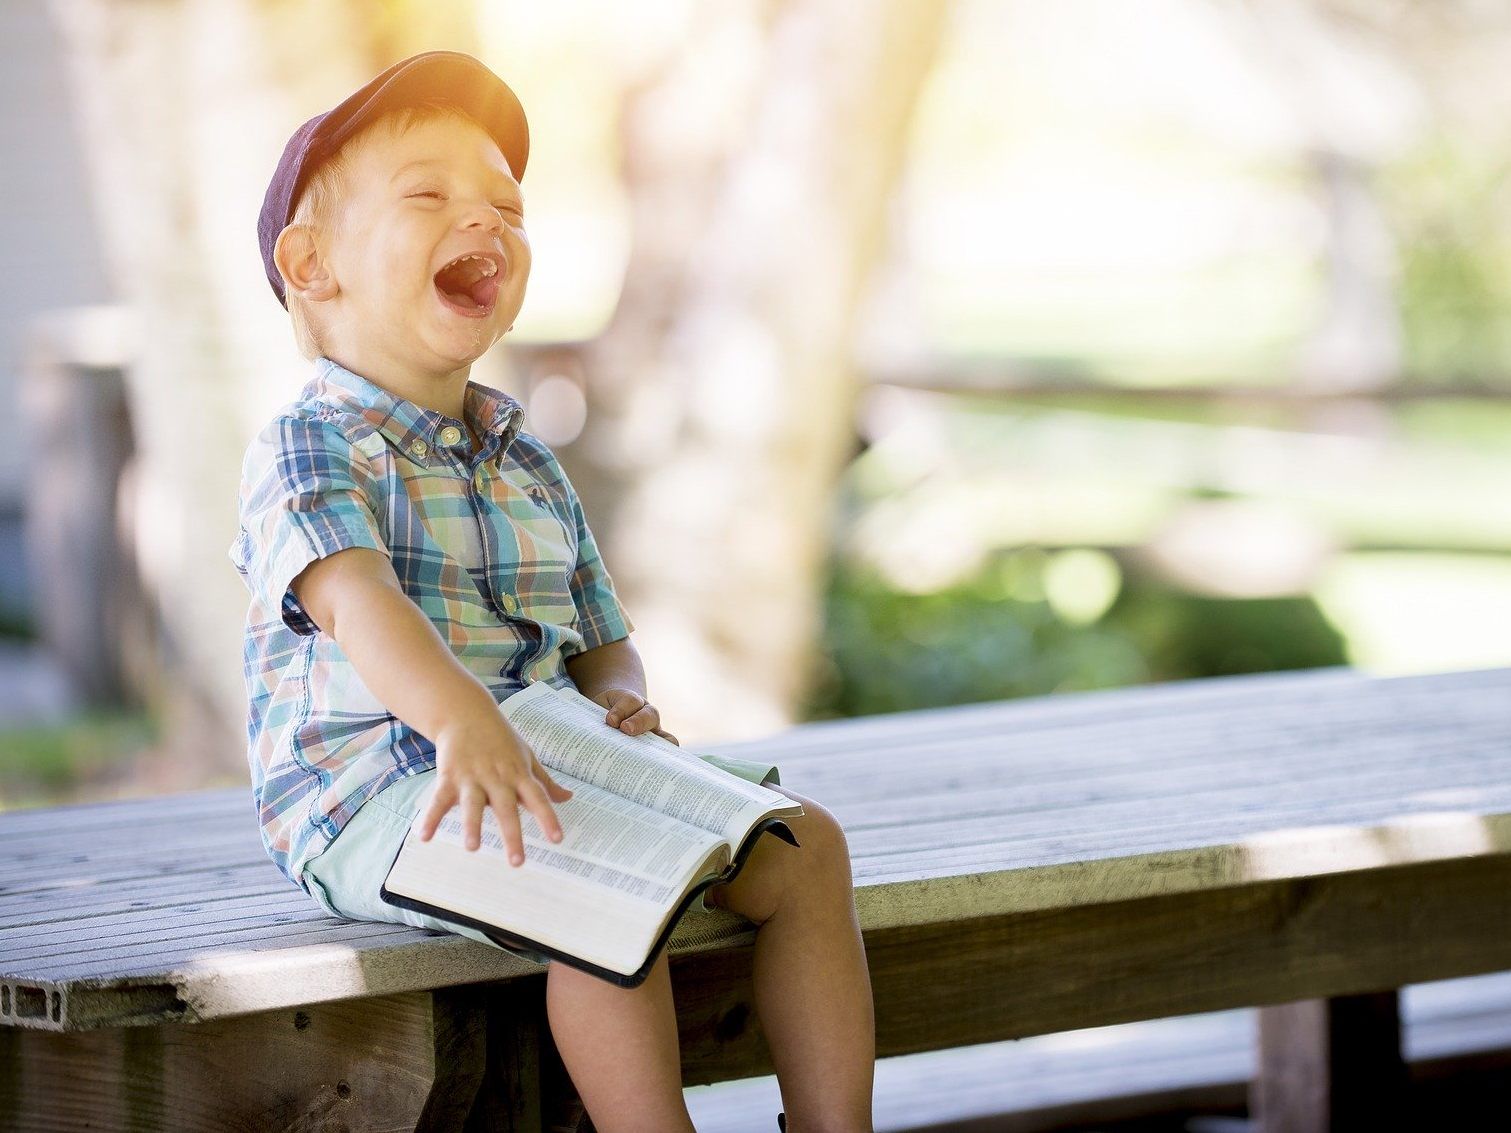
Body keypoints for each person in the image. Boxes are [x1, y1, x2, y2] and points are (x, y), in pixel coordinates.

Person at [228, 51, 874, 1133]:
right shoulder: (309, 444)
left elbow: (597, 631)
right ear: (311, 264)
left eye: (505, 207)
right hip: (378, 790)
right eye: (428, 194)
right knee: (602, 893)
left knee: (805, 847)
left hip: (543, 750)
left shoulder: (520, 450)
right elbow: (358, 601)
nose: (482, 221)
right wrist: (461, 718)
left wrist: (618, 692)